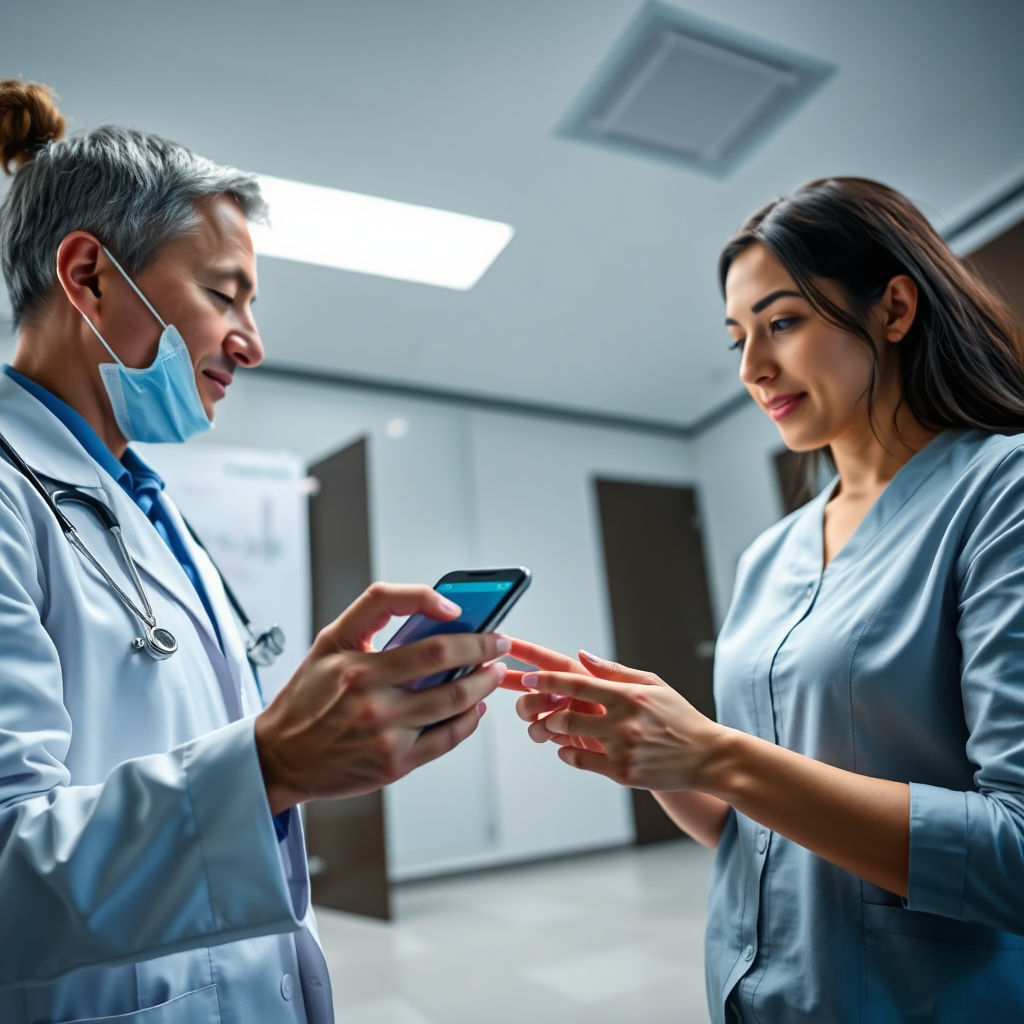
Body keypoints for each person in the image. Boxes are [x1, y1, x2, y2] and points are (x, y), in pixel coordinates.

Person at [0, 80, 509, 1023]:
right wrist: (270, 765)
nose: (255, 343)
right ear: (90, 277)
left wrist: (309, 721)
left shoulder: (148, 505)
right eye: (223, 293)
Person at [507, 177, 1024, 1023]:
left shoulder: (1002, 493)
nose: (752, 369)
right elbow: (755, 835)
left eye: (783, 323)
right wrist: (654, 752)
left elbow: (1017, 855)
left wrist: (714, 753)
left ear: (894, 308)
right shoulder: (771, 554)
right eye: (738, 339)